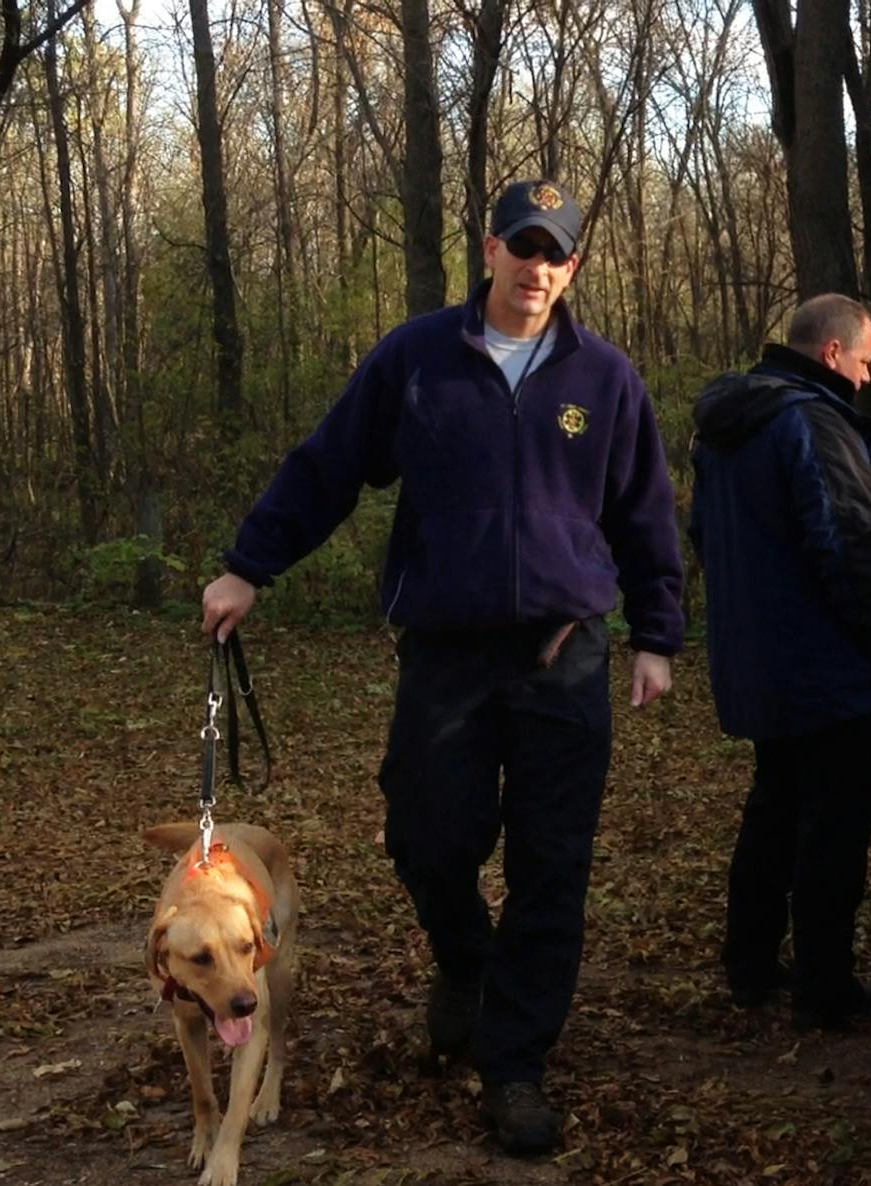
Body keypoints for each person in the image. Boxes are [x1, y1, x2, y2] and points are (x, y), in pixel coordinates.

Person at [198, 179, 683, 1154]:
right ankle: (467, 961)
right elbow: (327, 464)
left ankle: (514, 1065)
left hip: (564, 657)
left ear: (573, 267)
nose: (536, 268)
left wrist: (658, 635)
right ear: (489, 248)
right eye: (522, 247)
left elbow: (644, 511)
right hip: (447, 657)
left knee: (553, 867)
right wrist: (251, 564)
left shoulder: (606, 377)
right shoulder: (418, 360)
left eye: (556, 254)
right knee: (426, 836)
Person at [687, 294, 871, 1030]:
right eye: (862, 362)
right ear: (831, 353)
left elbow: (707, 536)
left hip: (765, 661)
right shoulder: (813, 421)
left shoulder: (731, 426)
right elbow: (848, 547)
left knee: (776, 811)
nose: (865, 379)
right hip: (830, 670)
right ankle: (827, 990)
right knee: (834, 828)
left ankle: (752, 966)